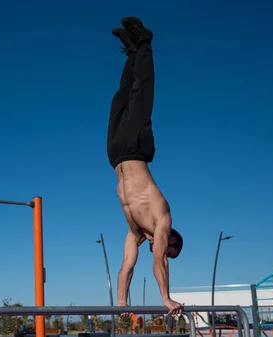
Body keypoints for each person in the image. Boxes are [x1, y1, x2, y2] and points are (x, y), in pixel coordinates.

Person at [106, 16, 184, 315]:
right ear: (172, 239)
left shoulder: (135, 232)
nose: (164, 251)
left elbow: (127, 267)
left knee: (120, 99)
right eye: (170, 249)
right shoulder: (161, 219)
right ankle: (145, 43)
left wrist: (122, 304)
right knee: (141, 95)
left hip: (114, 155)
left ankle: (132, 53)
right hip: (136, 149)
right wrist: (166, 298)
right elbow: (159, 262)